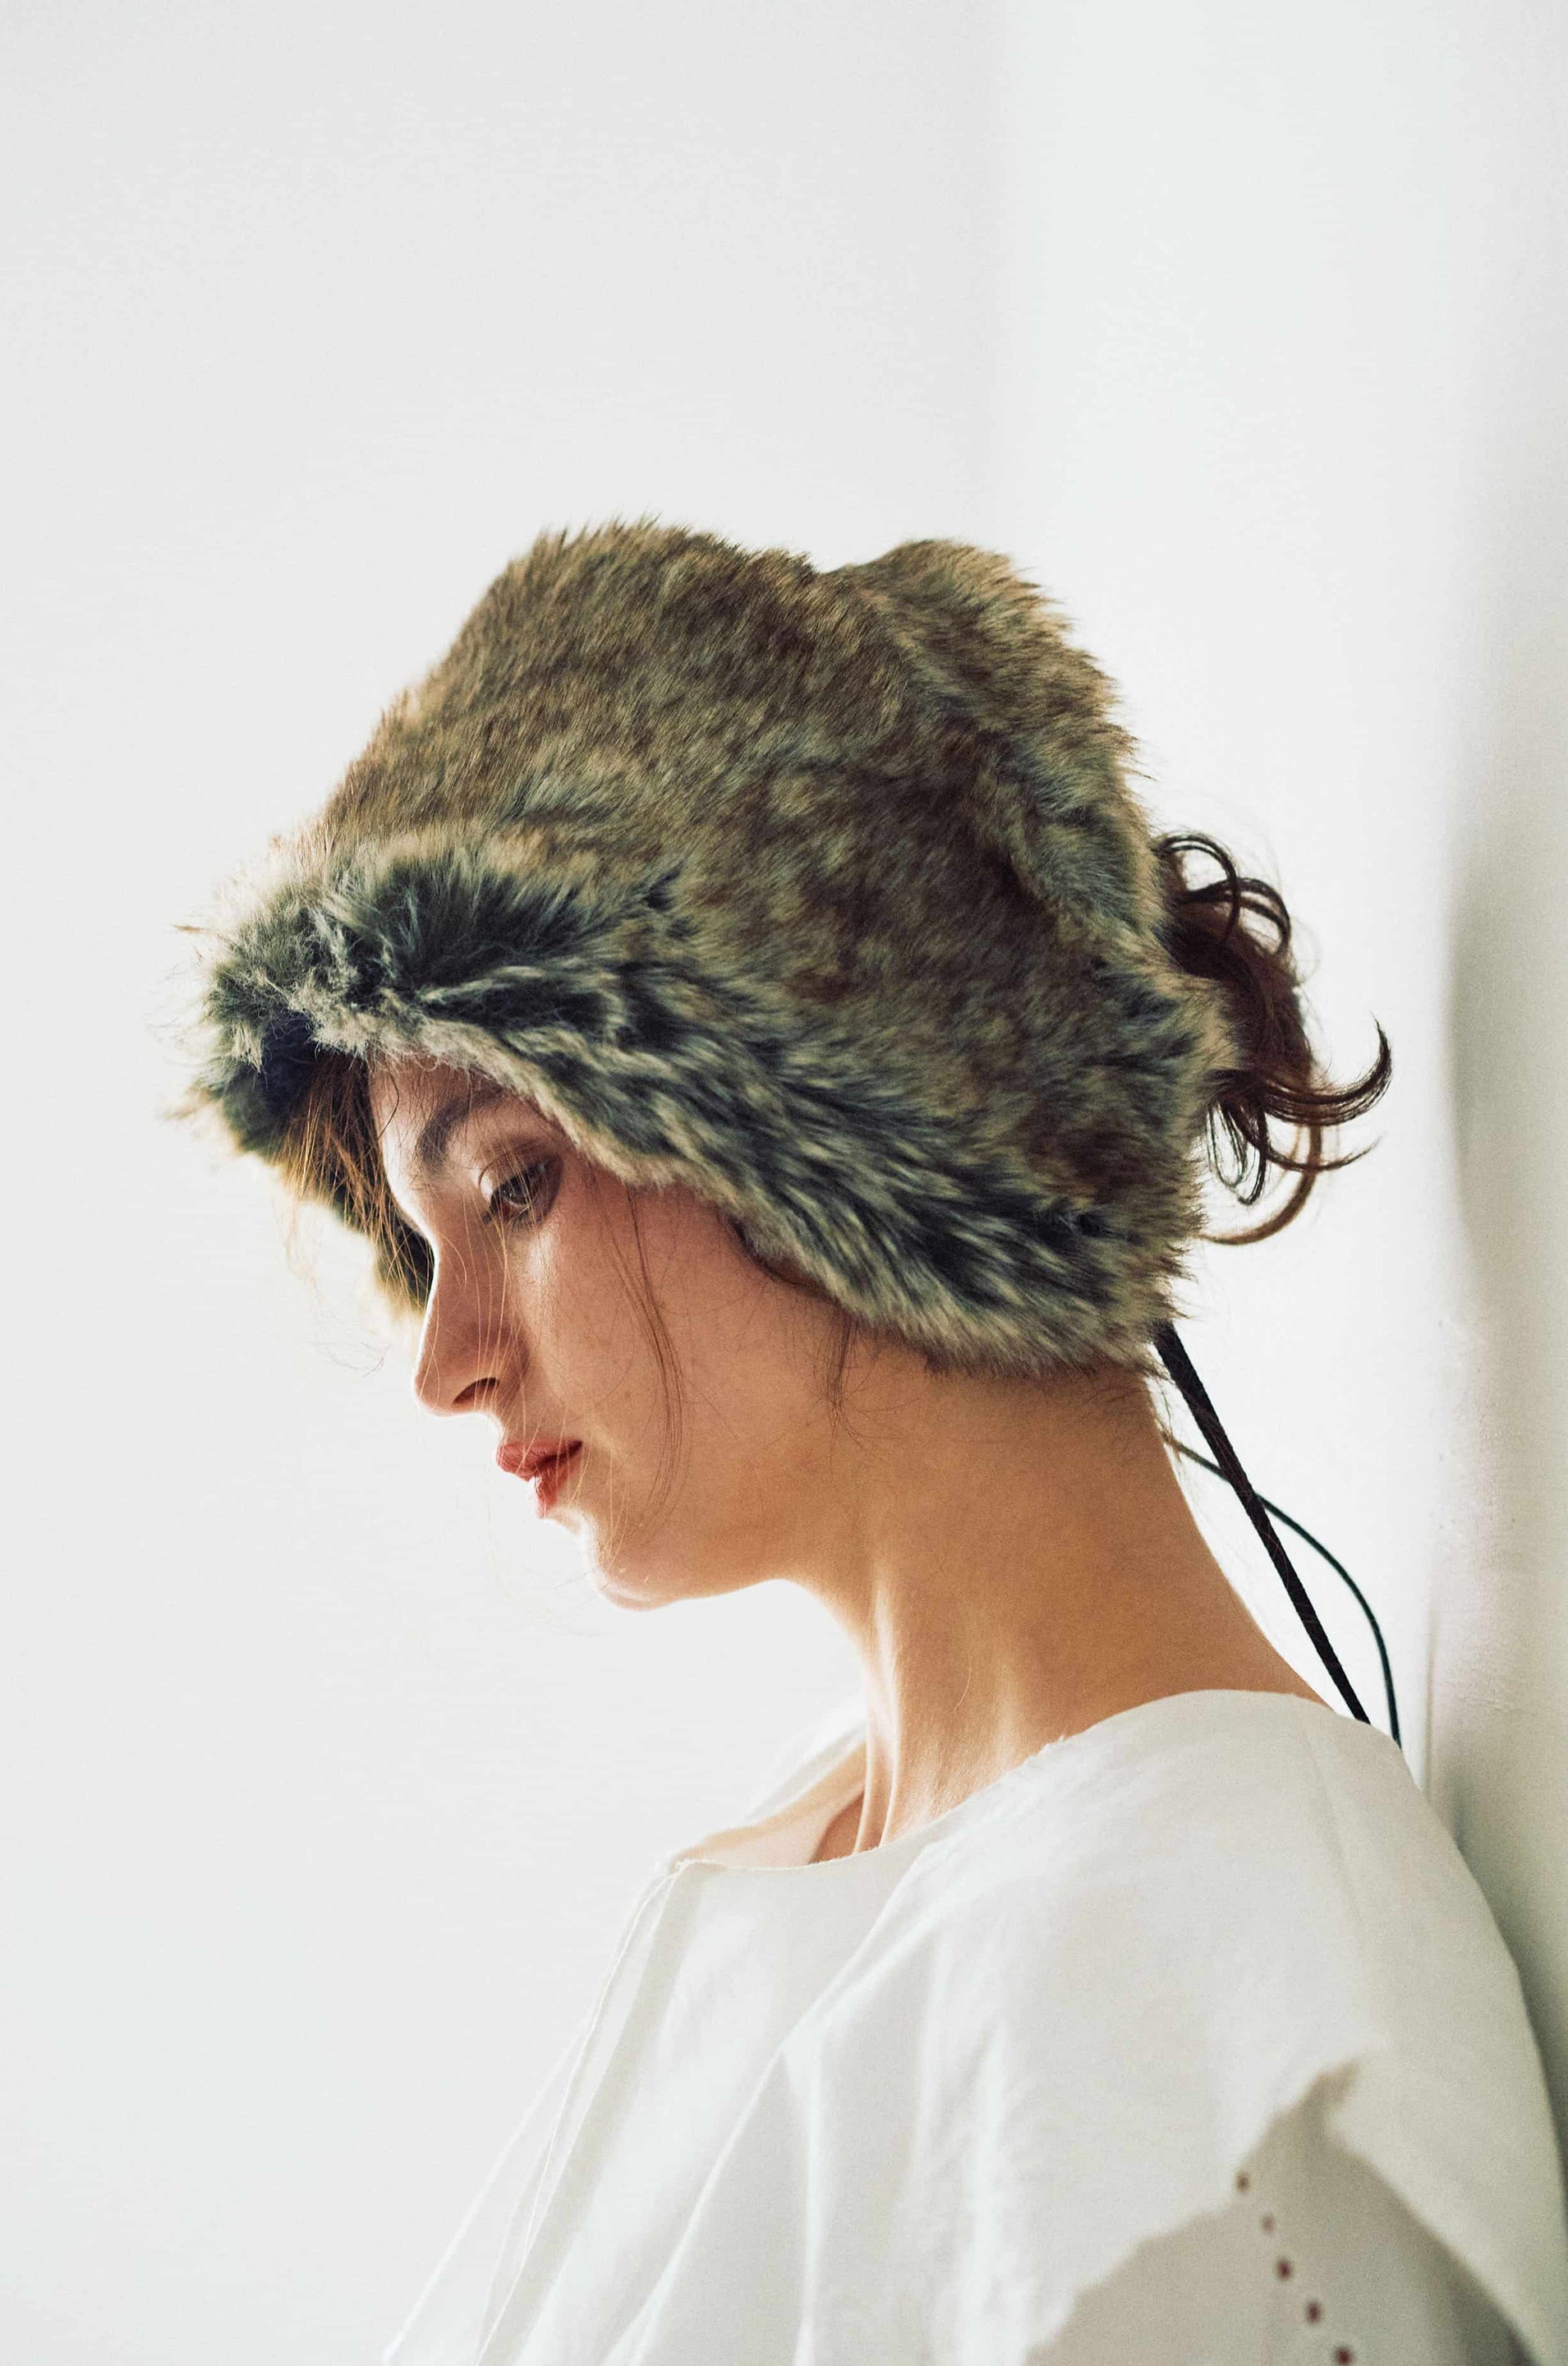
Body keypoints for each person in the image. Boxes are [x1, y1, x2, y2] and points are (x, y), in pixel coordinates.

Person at [179, 521, 1568, 2364]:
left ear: (854, 1116)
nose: (445, 1363)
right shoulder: (830, 1844)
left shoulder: (1205, 2009)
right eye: (426, 1251)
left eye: (514, 1185)